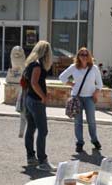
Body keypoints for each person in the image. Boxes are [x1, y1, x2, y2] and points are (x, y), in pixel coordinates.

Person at [59, 47, 103, 152]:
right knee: (78, 121)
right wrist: (71, 84)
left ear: (89, 57)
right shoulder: (74, 67)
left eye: (86, 55)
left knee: (91, 121)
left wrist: (96, 94)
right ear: (78, 56)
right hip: (77, 97)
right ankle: (79, 142)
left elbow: (100, 84)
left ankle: (94, 140)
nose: (84, 57)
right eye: (81, 55)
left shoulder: (94, 68)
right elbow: (62, 77)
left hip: (89, 98)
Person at [23, 40, 55, 171]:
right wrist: (43, 96)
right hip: (36, 101)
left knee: (31, 128)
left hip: (29, 99)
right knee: (43, 130)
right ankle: (43, 161)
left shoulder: (31, 64)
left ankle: (31, 157)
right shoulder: (37, 65)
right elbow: (34, 83)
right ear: (46, 52)